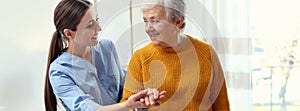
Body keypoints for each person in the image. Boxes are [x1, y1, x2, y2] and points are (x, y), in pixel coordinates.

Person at [44, 0, 165, 111]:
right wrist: (127, 105)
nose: (99, 28)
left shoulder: (107, 47)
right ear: (69, 33)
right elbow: (86, 108)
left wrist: (143, 94)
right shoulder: (60, 71)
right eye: (90, 25)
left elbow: (125, 85)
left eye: (97, 20)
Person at [121, 0, 230, 110]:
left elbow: (222, 104)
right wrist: (140, 103)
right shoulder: (140, 57)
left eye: (155, 21)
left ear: (178, 21)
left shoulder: (206, 52)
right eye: (146, 21)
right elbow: (126, 106)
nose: (148, 29)